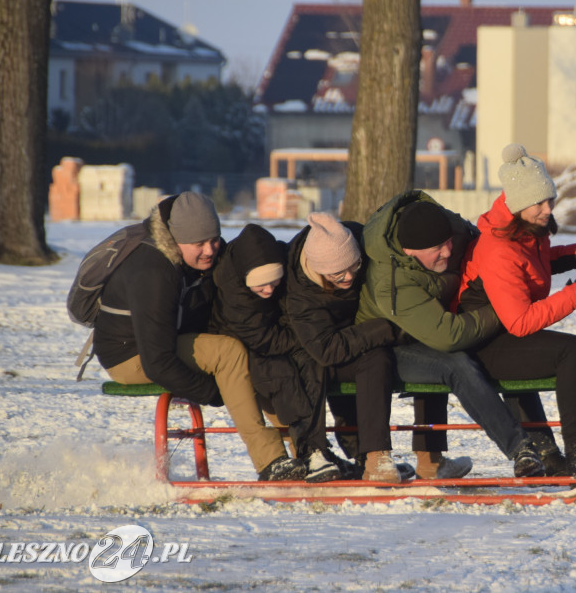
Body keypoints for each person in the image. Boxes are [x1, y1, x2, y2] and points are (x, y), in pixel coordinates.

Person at [457, 144, 576, 483]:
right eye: (539, 202)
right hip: (484, 343)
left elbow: (535, 265)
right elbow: (521, 321)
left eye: (550, 199)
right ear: (517, 204)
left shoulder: (527, 229)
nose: (547, 208)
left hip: (505, 335)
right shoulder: (497, 248)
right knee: (572, 353)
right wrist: (575, 295)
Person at [92, 192, 303, 481]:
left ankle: (308, 451)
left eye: (214, 239)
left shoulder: (212, 255)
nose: (209, 250)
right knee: (228, 353)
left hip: (173, 340)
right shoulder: (154, 271)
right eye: (198, 244)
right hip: (130, 353)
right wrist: (215, 392)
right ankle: (271, 462)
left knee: (253, 349)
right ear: (176, 240)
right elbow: (157, 363)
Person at [356, 192, 546, 479]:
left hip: (430, 326)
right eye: (437, 249)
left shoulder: (452, 230)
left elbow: (494, 248)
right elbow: (448, 336)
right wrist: (505, 310)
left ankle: (431, 463)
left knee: (498, 347)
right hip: (386, 345)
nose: (447, 252)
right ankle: (520, 449)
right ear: (409, 251)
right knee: (455, 363)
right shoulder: (390, 282)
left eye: (447, 243)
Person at [208, 223, 353, 483]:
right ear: (245, 279)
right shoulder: (233, 291)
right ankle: (308, 452)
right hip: (246, 346)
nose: (269, 290)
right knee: (282, 374)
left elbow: (292, 310)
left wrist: (307, 337)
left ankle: (316, 452)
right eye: (260, 286)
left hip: (281, 336)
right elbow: (263, 339)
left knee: (313, 362)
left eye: (274, 282)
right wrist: (307, 337)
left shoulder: (285, 265)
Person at [284, 212, 408, 483]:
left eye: (355, 266)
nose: (349, 276)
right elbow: (326, 350)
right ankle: (331, 451)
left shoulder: (356, 240)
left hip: (358, 338)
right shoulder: (300, 294)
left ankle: (376, 455)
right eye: (338, 273)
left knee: (377, 358)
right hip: (318, 355)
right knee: (363, 355)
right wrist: (385, 328)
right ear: (317, 269)